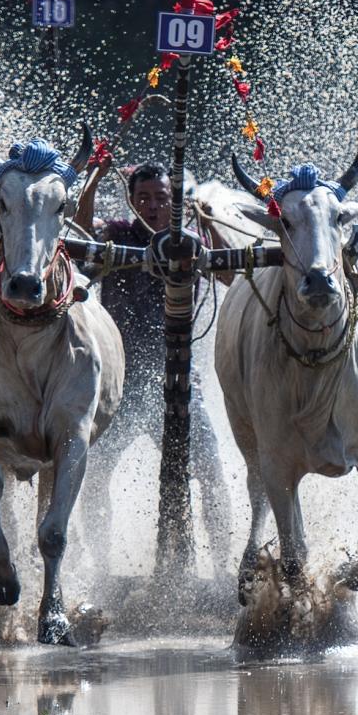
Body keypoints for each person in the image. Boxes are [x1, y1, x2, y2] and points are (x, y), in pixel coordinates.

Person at [73, 160, 235, 586]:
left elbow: (231, 273)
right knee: (94, 471)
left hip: (179, 383)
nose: (153, 207)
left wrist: (205, 217)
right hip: (121, 386)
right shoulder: (117, 235)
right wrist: (90, 184)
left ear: (174, 202)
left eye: (162, 199)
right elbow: (79, 238)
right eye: (143, 198)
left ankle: (223, 570)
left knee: (213, 472)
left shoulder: (192, 238)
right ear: (131, 200)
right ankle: (102, 570)